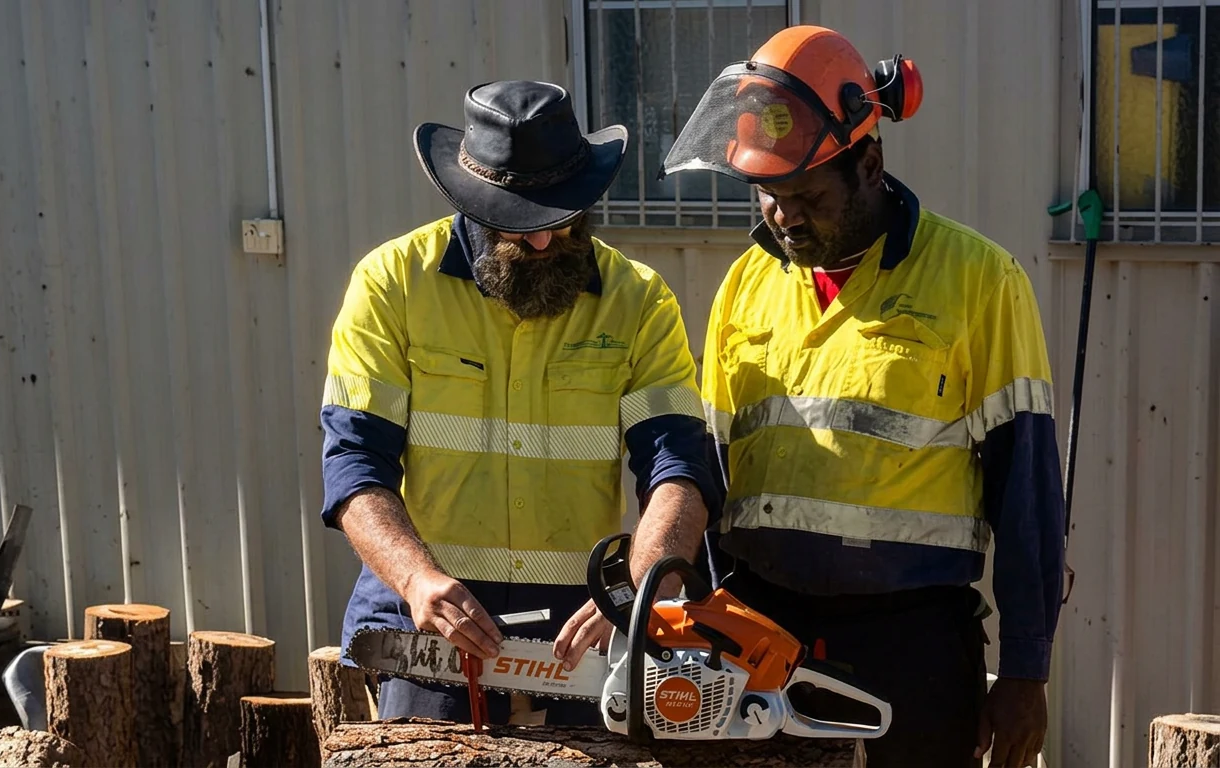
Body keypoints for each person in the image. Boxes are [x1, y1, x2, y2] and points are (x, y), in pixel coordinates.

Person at [660, 26, 1066, 768]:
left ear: (869, 164)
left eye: (806, 196)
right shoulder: (744, 287)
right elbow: (703, 474)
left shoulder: (979, 280)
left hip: (912, 648)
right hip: (757, 632)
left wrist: (1026, 671)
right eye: (768, 196)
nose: (783, 218)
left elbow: (1029, 494)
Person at [320, 80, 720, 726]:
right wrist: (418, 579)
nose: (543, 243)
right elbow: (355, 471)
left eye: (561, 220)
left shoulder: (640, 302)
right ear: (474, 203)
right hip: (433, 633)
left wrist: (638, 585)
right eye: (523, 227)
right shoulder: (390, 287)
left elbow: (679, 471)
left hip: (583, 637)